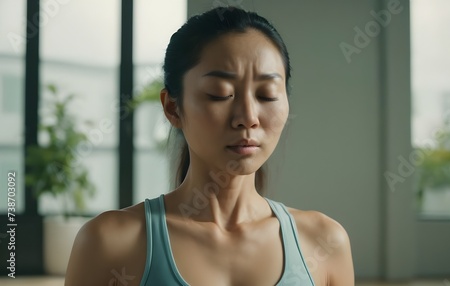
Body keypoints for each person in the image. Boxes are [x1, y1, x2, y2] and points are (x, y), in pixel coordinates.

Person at [65, 7, 354, 286]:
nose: (248, 118)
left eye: (266, 95)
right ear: (172, 108)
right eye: (220, 95)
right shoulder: (111, 243)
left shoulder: (325, 242)